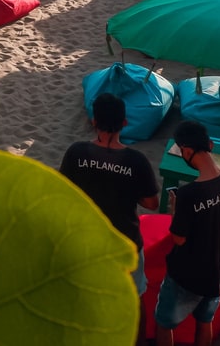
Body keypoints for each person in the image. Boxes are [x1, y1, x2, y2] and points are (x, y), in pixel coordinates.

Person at [59, 93, 159, 296]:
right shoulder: (136, 161)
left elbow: (63, 191)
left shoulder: (76, 152)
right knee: (133, 301)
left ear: (94, 121)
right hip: (124, 242)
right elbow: (151, 203)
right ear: (124, 122)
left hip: (86, 241)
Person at [155, 121, 220, 346]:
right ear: (211, 145)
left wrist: (176, 211)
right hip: (216, 271)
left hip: (186, 275)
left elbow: (178, 238)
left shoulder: (188, 195)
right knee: (205, 321)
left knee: (164, 323)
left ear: (186, 151)